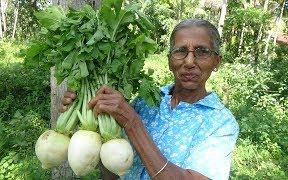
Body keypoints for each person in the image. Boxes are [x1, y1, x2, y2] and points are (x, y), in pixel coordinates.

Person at [60, 19, 239, 180]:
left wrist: (133, 123)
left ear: (217, 61)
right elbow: (113, 167)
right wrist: (85, 107)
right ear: (170, 60)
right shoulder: (147, 100)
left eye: (202, 52)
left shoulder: (220, 123)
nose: (190, 61)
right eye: (181, 51)